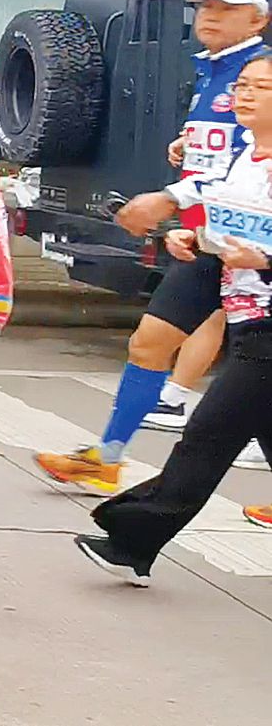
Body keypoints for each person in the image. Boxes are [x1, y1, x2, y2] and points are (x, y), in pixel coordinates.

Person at [39, 0, 272, 494]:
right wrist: (186, 148)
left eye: (226, 8)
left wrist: (170, 197)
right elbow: (224, 151)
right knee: (150, 342)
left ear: (258, 19)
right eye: (204, 6)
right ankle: (108, 457)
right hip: (216, 239)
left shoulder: (259, 73)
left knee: (250, 375)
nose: (209, 16)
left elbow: (247, 161)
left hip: (257, 250)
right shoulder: (213, 70)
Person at [79, 48, 272, 581]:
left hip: (266, 326)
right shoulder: (245, 157)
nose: (245, 95)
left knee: (207, 438)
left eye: (262, 87)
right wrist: (193, 237)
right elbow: (231, 224)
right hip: (245, 316)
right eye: (243, 85)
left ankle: (131, 541)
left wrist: (263, 261)